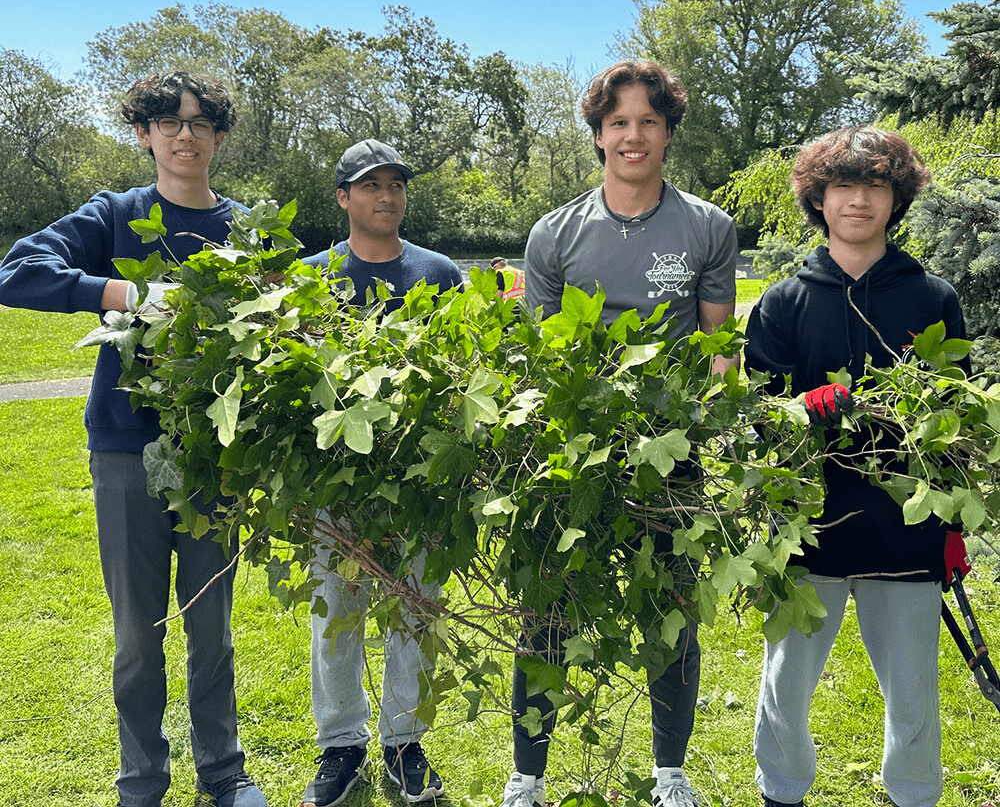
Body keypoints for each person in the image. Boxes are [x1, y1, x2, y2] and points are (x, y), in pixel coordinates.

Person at [0, 71, 266, 807]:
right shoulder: (117, 215)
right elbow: (16, 272)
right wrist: (126, 294)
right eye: (167, 121)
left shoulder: (247, 229)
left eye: (201, 122)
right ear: (143, 133)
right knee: (138, 633)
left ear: (219, 135)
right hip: (124, 450)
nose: (186, 134)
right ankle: (141, 781)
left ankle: (226, 772)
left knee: (210, 625)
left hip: (216, 454)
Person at [504, 60, 739, 807]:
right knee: (546, 615)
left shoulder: (708, 227)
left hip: (668, 462)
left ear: (667, 133)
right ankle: (526, 776)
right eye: (618, 124)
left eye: (647, 122)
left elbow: (716, 350)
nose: (632, 136)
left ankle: (670, 774)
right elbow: (541, 355)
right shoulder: (555, 234)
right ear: (598, 136)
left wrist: (716, 431)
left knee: (669, 615)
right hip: (570, 458)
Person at [744, 126, 966, 807]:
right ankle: (781, 792)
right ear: (819, 198)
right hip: (807, 532)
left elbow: (953, 425)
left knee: (913, 690)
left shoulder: (933, 299)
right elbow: (757, 416)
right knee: (785, 684)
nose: (858, 200)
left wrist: (951, 524)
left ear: (895, 197)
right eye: (842, 185)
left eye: (874, 184)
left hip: (905, 531)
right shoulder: (784, 302)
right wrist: (798, 407)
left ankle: (913, 795)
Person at [298, 139, 462, 807]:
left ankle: (404, 744)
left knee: (415, 612)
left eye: (395, 185)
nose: (386, 197)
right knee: (336, 615)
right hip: (335, 484)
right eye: (370, 186)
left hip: (419, 482)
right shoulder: (308, 279)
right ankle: (341, 747)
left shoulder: (439, 272)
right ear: (342, 197)